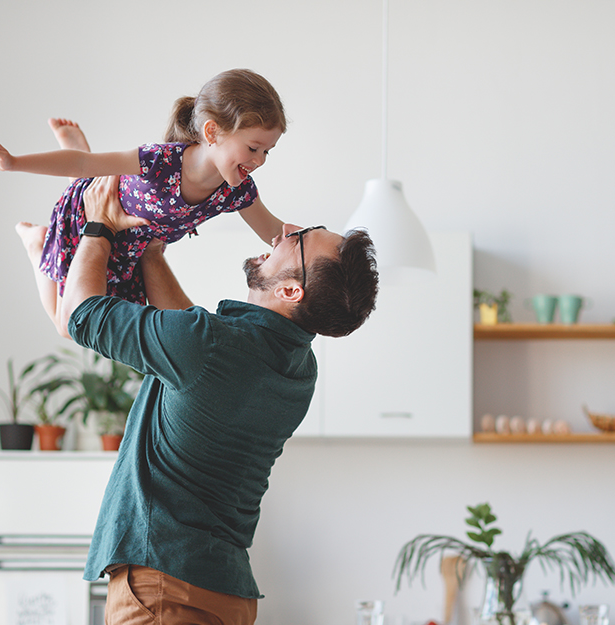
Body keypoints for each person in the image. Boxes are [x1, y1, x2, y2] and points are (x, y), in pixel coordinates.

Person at [61, 175, 378, 624]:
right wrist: (151, 252)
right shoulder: (297, 369)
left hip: (163, 587)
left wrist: (99, 226)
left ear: (291, 290)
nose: (286, 231)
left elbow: (79, 313)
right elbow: (192, 345)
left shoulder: (209, 345)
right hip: (224, 593)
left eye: (300, 239)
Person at [0, 68, 288, 337]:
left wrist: (332, 245)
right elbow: (81, 163)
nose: (260, 161)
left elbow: (276, 231)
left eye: (267, 151)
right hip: (89, 220)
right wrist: (12, 162)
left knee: (88, 326)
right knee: (68, 326)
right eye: (253, 148)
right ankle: (37, 243)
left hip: (129, 254)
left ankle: (80, 172)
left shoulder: (237, 190)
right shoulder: (160, 161)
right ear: (212, 131)